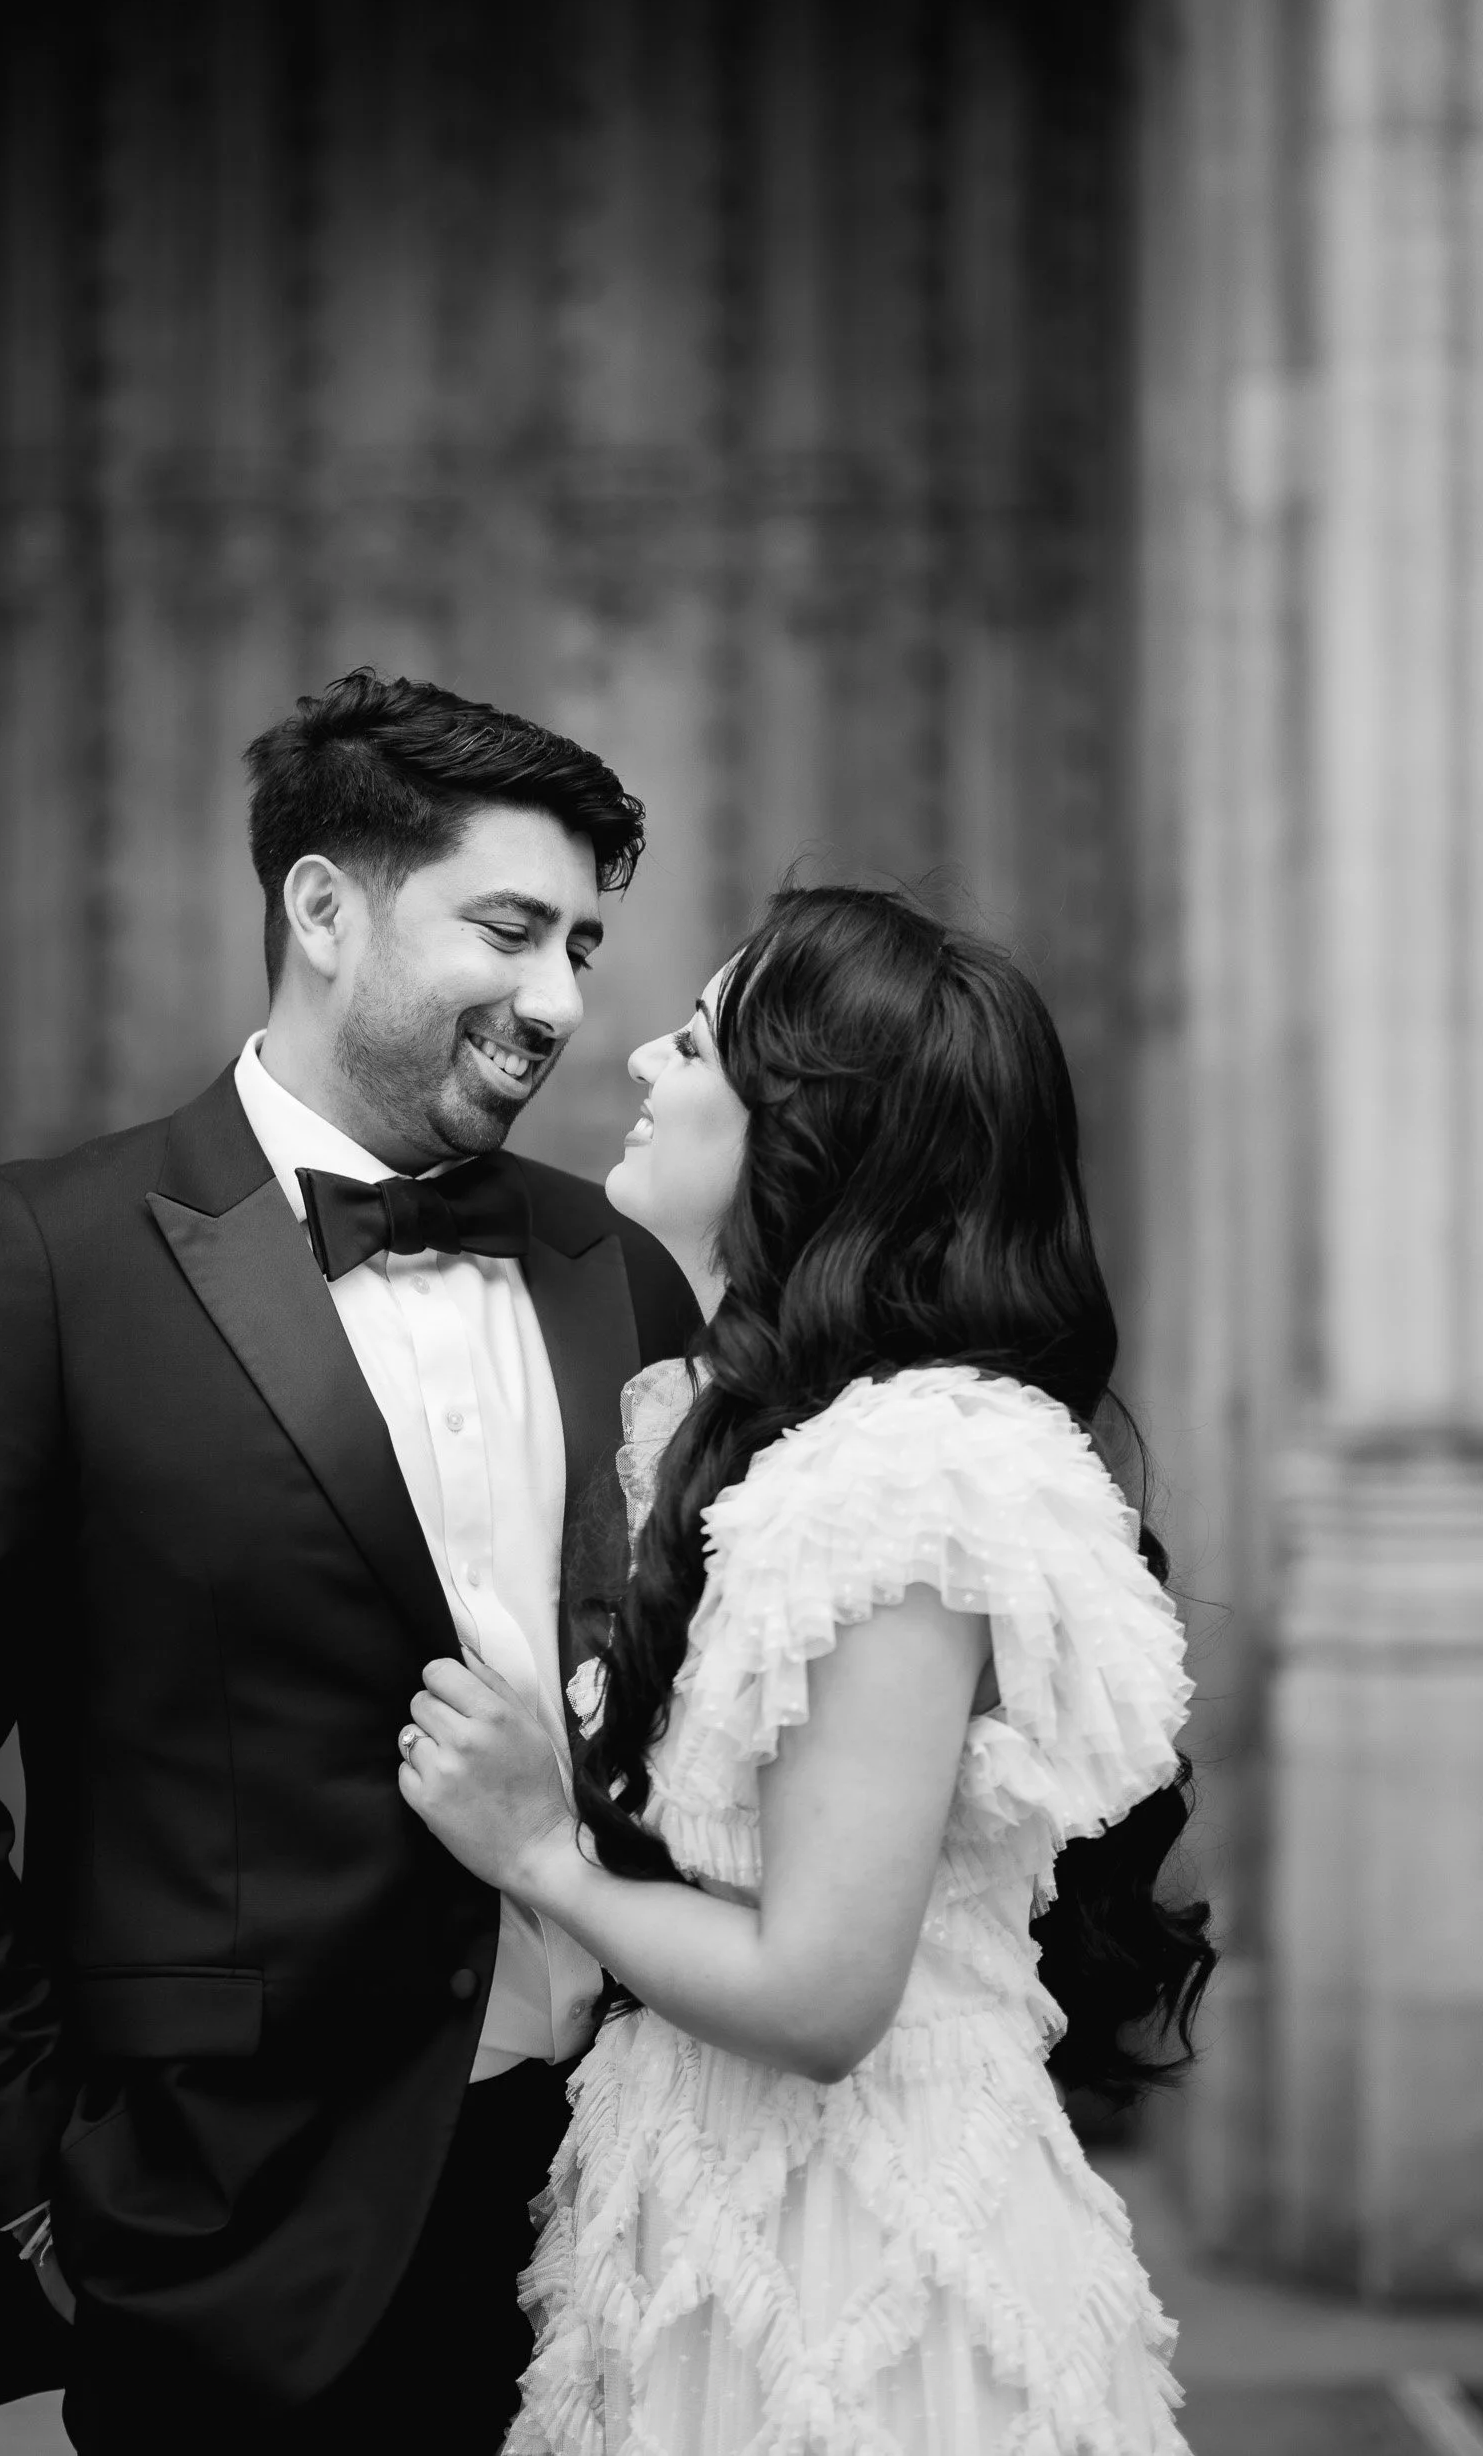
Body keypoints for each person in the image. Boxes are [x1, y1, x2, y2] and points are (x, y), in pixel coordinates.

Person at [0, 668, 701, 2455]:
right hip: (217, 2234)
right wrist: (35, 2194)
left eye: (584, 942)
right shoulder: (45, 1262)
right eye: (510, 928)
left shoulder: (616, 1271)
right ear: (325, 904)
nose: (562, 1002)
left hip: (619, 2212)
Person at [399, 885, 1217, 2456]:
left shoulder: (905, 1487)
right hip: (705, 2199)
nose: (638, 1054)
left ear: (803, 1136)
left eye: (696, 1039)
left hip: (866, 2246)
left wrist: (534, 1855)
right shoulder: (729, 1439)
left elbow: (823, 1993)